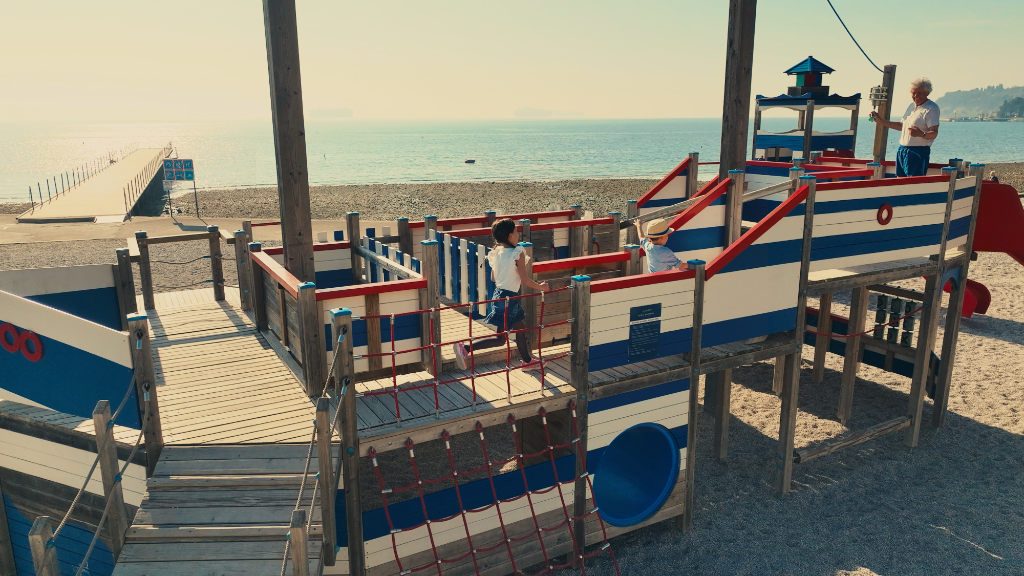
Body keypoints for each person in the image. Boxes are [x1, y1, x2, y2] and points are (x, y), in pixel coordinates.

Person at [453, 218, 548, 371]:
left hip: (499, 295)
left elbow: (493, 277)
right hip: (509, 298)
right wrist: (541, 287)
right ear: (510, 236)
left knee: (514, 332)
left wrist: (506, 274)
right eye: (516, 231)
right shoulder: (518, 253)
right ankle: (465, 348)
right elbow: (524, 279)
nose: (518, 234)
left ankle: (527, 361)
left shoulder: (496, 253)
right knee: (504, 337)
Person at [870, 78, 940, 177]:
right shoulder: (911, 106)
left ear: (927, 93)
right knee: (900, 180)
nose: (916, 96)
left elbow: (934, 133)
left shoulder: (932, 108)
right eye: (913, 93)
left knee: (914, 183)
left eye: (919, 93)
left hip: (918, 151)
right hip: (902, 150)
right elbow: (901, 126)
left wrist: (921, 134)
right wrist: (880, 121)